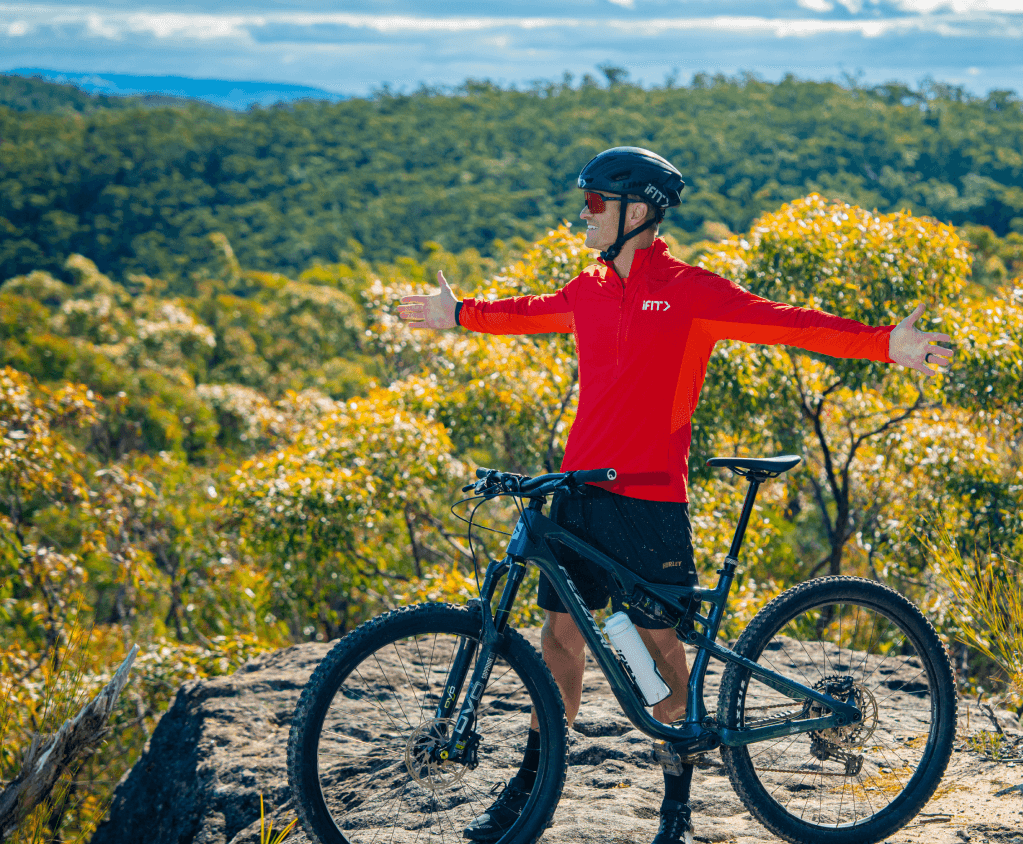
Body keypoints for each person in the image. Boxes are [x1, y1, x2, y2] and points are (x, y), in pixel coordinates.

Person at [395, 146, 954, 844]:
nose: (583, 214)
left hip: (649, 503)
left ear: (638, 212)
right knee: (559, 640)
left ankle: (676, 811)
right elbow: (528, 313)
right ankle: (530, 793)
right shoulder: (588, 288)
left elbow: (790, 322)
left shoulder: (691, 291)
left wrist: (884, 346)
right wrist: (460, 314)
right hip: (577, 493)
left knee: (662, 655)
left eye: (594, 203)